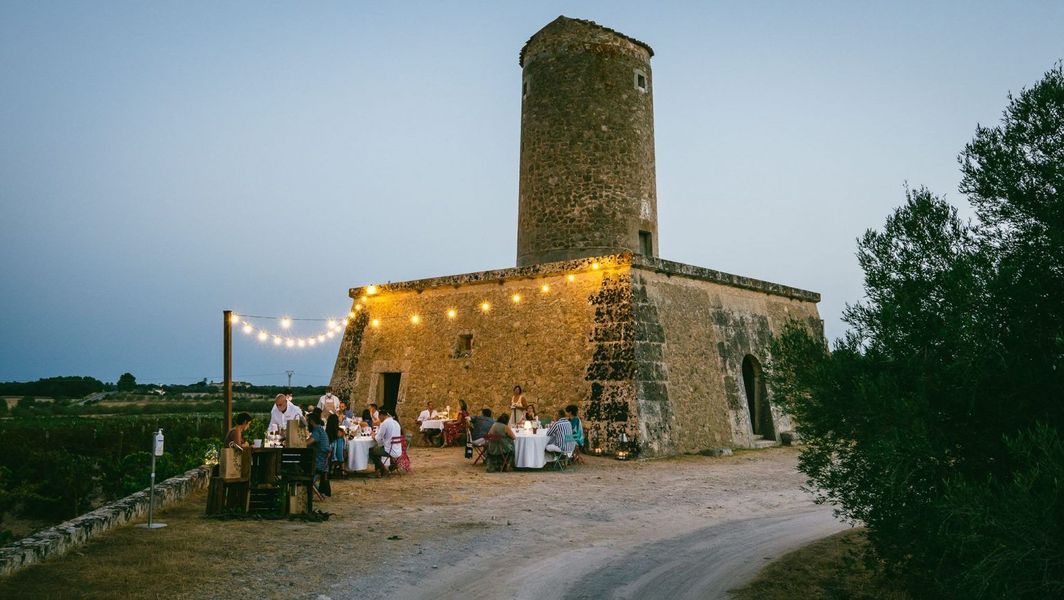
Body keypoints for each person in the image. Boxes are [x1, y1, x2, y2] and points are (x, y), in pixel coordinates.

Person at [369, 408, 403, 476]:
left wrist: (373, 435)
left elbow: (378, 439)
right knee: (377, 449)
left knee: (371, 451)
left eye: (379, 417)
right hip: (398, 449)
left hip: (389, 450)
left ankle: (382, 469)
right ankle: (390, 465)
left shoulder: (384, 423)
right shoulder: (396, 422)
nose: (379, 419)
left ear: (382, 415)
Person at [306, 413, 330, 498]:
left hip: (318, 463)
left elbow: (308, 442)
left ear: (311, 422)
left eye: (307, 421)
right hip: (323, 462)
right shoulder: (320, 429)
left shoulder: (317, 430)